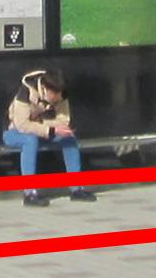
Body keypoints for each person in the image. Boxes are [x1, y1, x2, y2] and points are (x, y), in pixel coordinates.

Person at [5, 68, 93, 206]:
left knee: (69, 138)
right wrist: (50, 129)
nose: (57, 98)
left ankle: (76, 189)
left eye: (59, 94)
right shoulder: (25, 92)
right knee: (30, 141)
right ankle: (29, 193)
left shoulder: (61, 93)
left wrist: (49, 128)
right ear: (44, 89)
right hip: (12, 131)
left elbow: (63, 121)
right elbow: (22, 125)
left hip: (44, 130)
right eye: (53, 94)